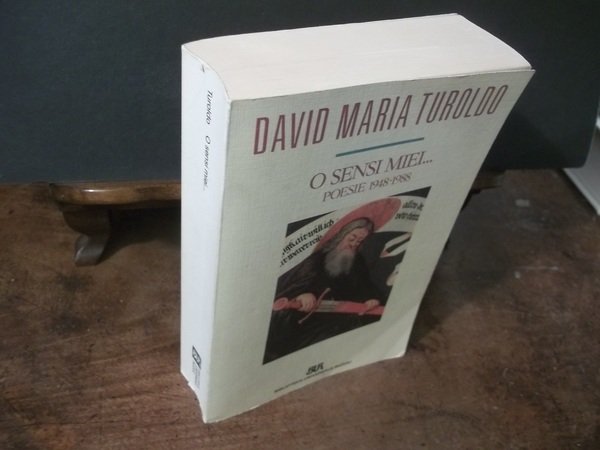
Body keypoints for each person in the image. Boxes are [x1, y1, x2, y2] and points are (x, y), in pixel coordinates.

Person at [263, 217, 384, 363]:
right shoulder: (317, 259)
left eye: (359, 242)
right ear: (343, 234)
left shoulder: (357, 262)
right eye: (352, 238)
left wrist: (371, 298)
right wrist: (302, 295)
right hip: (309, 318)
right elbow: (291, 287)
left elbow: (365, 285)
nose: (354, 244)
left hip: (341, 315)